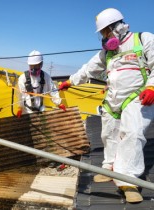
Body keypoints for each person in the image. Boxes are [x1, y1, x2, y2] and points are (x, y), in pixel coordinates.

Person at [59, 8, 154, 203]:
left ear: (117, 26)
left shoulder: (143, 39)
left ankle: (128, 180)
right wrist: (70, 81)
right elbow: (89, 68)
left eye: (105, 31)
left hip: (136, 98)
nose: (104, 36)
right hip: (113, 99)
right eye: (102, 33)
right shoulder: (108, 52)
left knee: (132, 134)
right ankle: (110, 167)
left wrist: (152, 86)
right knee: (109, 133)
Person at [16, 50, 66, 118]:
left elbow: (53, 91)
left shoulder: (46, 77)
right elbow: (20, 95)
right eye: (31, 66)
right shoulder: (23, 78)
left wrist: (59, 103)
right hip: (26, 112)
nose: (33, 69)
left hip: (41, 111)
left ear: (41, 64)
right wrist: (20, 107)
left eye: (36, 66)